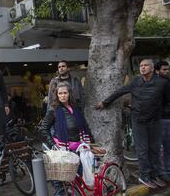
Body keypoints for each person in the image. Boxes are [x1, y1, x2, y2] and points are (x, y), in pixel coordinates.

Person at [95, 59, 170, 188]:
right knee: (142, 150)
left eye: (146, 65)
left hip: (155, 121)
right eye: (141, 66)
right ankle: (144, 176)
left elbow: (167, 101)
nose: (143, 68)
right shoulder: (135, 81)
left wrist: (158, 110)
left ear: (152, 68)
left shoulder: (162, 83)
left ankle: (154, 175)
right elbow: (120, 91)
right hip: (139, 121)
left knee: (155, 150)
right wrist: (105, 102)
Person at [40, 82, 92, 151]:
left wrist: (91, 141)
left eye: (65, 93)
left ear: (69, 93)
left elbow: (85, 125)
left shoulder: (76, 107)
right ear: (57, 95)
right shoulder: (53, 109)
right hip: (63, 149)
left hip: (80, 147)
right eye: (60, 93)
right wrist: (53, 144)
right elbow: (44, 128)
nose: (63, 96)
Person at [154, 61, 170, 182]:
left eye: (168, 69)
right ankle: (164, 171)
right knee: (165, 146)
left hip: (164, 117)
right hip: (163, 118)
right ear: (157, 71)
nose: (167, 71)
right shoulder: (160, 83)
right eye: (164, 69)